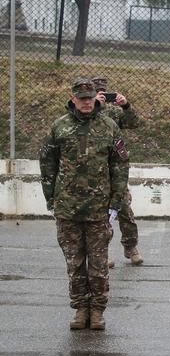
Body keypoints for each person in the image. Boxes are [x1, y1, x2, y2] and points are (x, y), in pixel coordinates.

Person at [39, 78, 129, 331]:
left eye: (90, 98)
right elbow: (47, 163)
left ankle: (97, 310)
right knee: (75, 264)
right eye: (83, 98)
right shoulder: (60, 127)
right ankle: (80, 309)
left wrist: (116, 202)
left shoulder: (109, 126)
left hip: (99, 209)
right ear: (73, 98)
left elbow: (120, 165)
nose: (87, 102)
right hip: (68, 208)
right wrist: (51, 199)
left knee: (98, 266)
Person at [91, 76, 143, 267]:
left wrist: (126, 105)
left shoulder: (113, 112)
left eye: (104, 92)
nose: (102, 94)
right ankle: (101, 252)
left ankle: (131, 247)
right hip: (94, 168)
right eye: (98, 92)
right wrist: (96, 104)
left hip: (115, 167)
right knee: (98, 214)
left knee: (123, 208)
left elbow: (134, 122)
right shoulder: (86, 110)